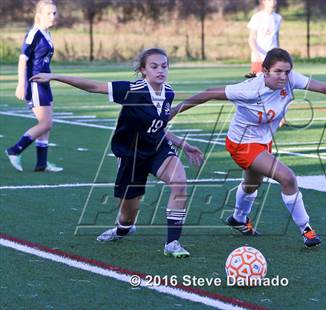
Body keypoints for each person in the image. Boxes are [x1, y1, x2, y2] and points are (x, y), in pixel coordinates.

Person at [171, 48, 326, 247]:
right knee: (287, 177)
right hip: (241, 144)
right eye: (278, 71)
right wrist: (175, 110)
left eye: (287, 71)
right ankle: (307, 230)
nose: (284, 76)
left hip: (262, 141)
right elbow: (209, 93)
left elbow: (322, 87)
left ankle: (238, 219)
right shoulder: (249, 90)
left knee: (252, 184)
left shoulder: (291, 79)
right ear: (265, 70)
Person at [30, 48, 204, 258]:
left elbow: (159, 126)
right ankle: (122, 229)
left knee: (179, 182)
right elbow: (94, 86)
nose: (160, 70)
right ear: (143, 70)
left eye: (164, 66)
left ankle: (172, 243)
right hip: (130, 156)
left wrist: (181, 144)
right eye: (154, 66)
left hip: (157, 150)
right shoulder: (131, 89)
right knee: (127, 216)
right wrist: (54, 76)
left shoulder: (168, 92)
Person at [5, 0, 62, 172]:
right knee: (45, 123)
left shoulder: (47, 34)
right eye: (49, 13)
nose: (53, 16)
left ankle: (42, 163)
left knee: (47, 123)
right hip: (34, 83)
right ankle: (15, 150)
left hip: (45, 83)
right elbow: (23, 59)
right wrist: (21, 84)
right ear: (39, 16)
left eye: (54, 13)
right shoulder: (34, 34)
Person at [245, 0, 282, 78]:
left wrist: (278, 52)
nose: (272, 1)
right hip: (260, 55)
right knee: (258, 81)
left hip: (273, 55)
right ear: (264, 1)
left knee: (274, 80)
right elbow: (251, 38)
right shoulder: (257, 17)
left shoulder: (278, 17)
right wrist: (255, 52)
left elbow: (276, 36)